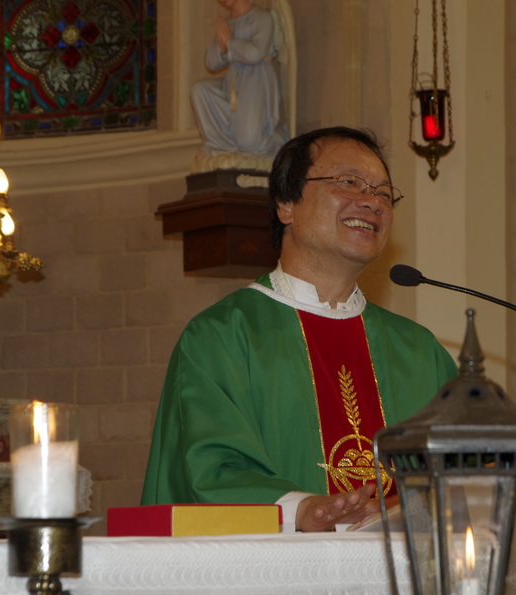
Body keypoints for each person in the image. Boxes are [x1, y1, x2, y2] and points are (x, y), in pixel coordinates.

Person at [142, 127, 457, 532]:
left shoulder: (418, 351)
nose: (372, 202)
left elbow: (463, 476)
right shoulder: (223, 336)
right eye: (348, 182)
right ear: (285, 204)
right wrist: (303, 510)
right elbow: (206, 471)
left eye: (383, 192)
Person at [190, 0, 289, 158]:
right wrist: (222, 48)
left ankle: (271, 141)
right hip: (232, 81)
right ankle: (219, 146)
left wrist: (230, 42)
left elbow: (256, 53)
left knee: (249, 142)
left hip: (256, 78)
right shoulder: (228, 23)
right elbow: (210, 62)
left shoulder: (261, 18)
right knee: (200, 90)